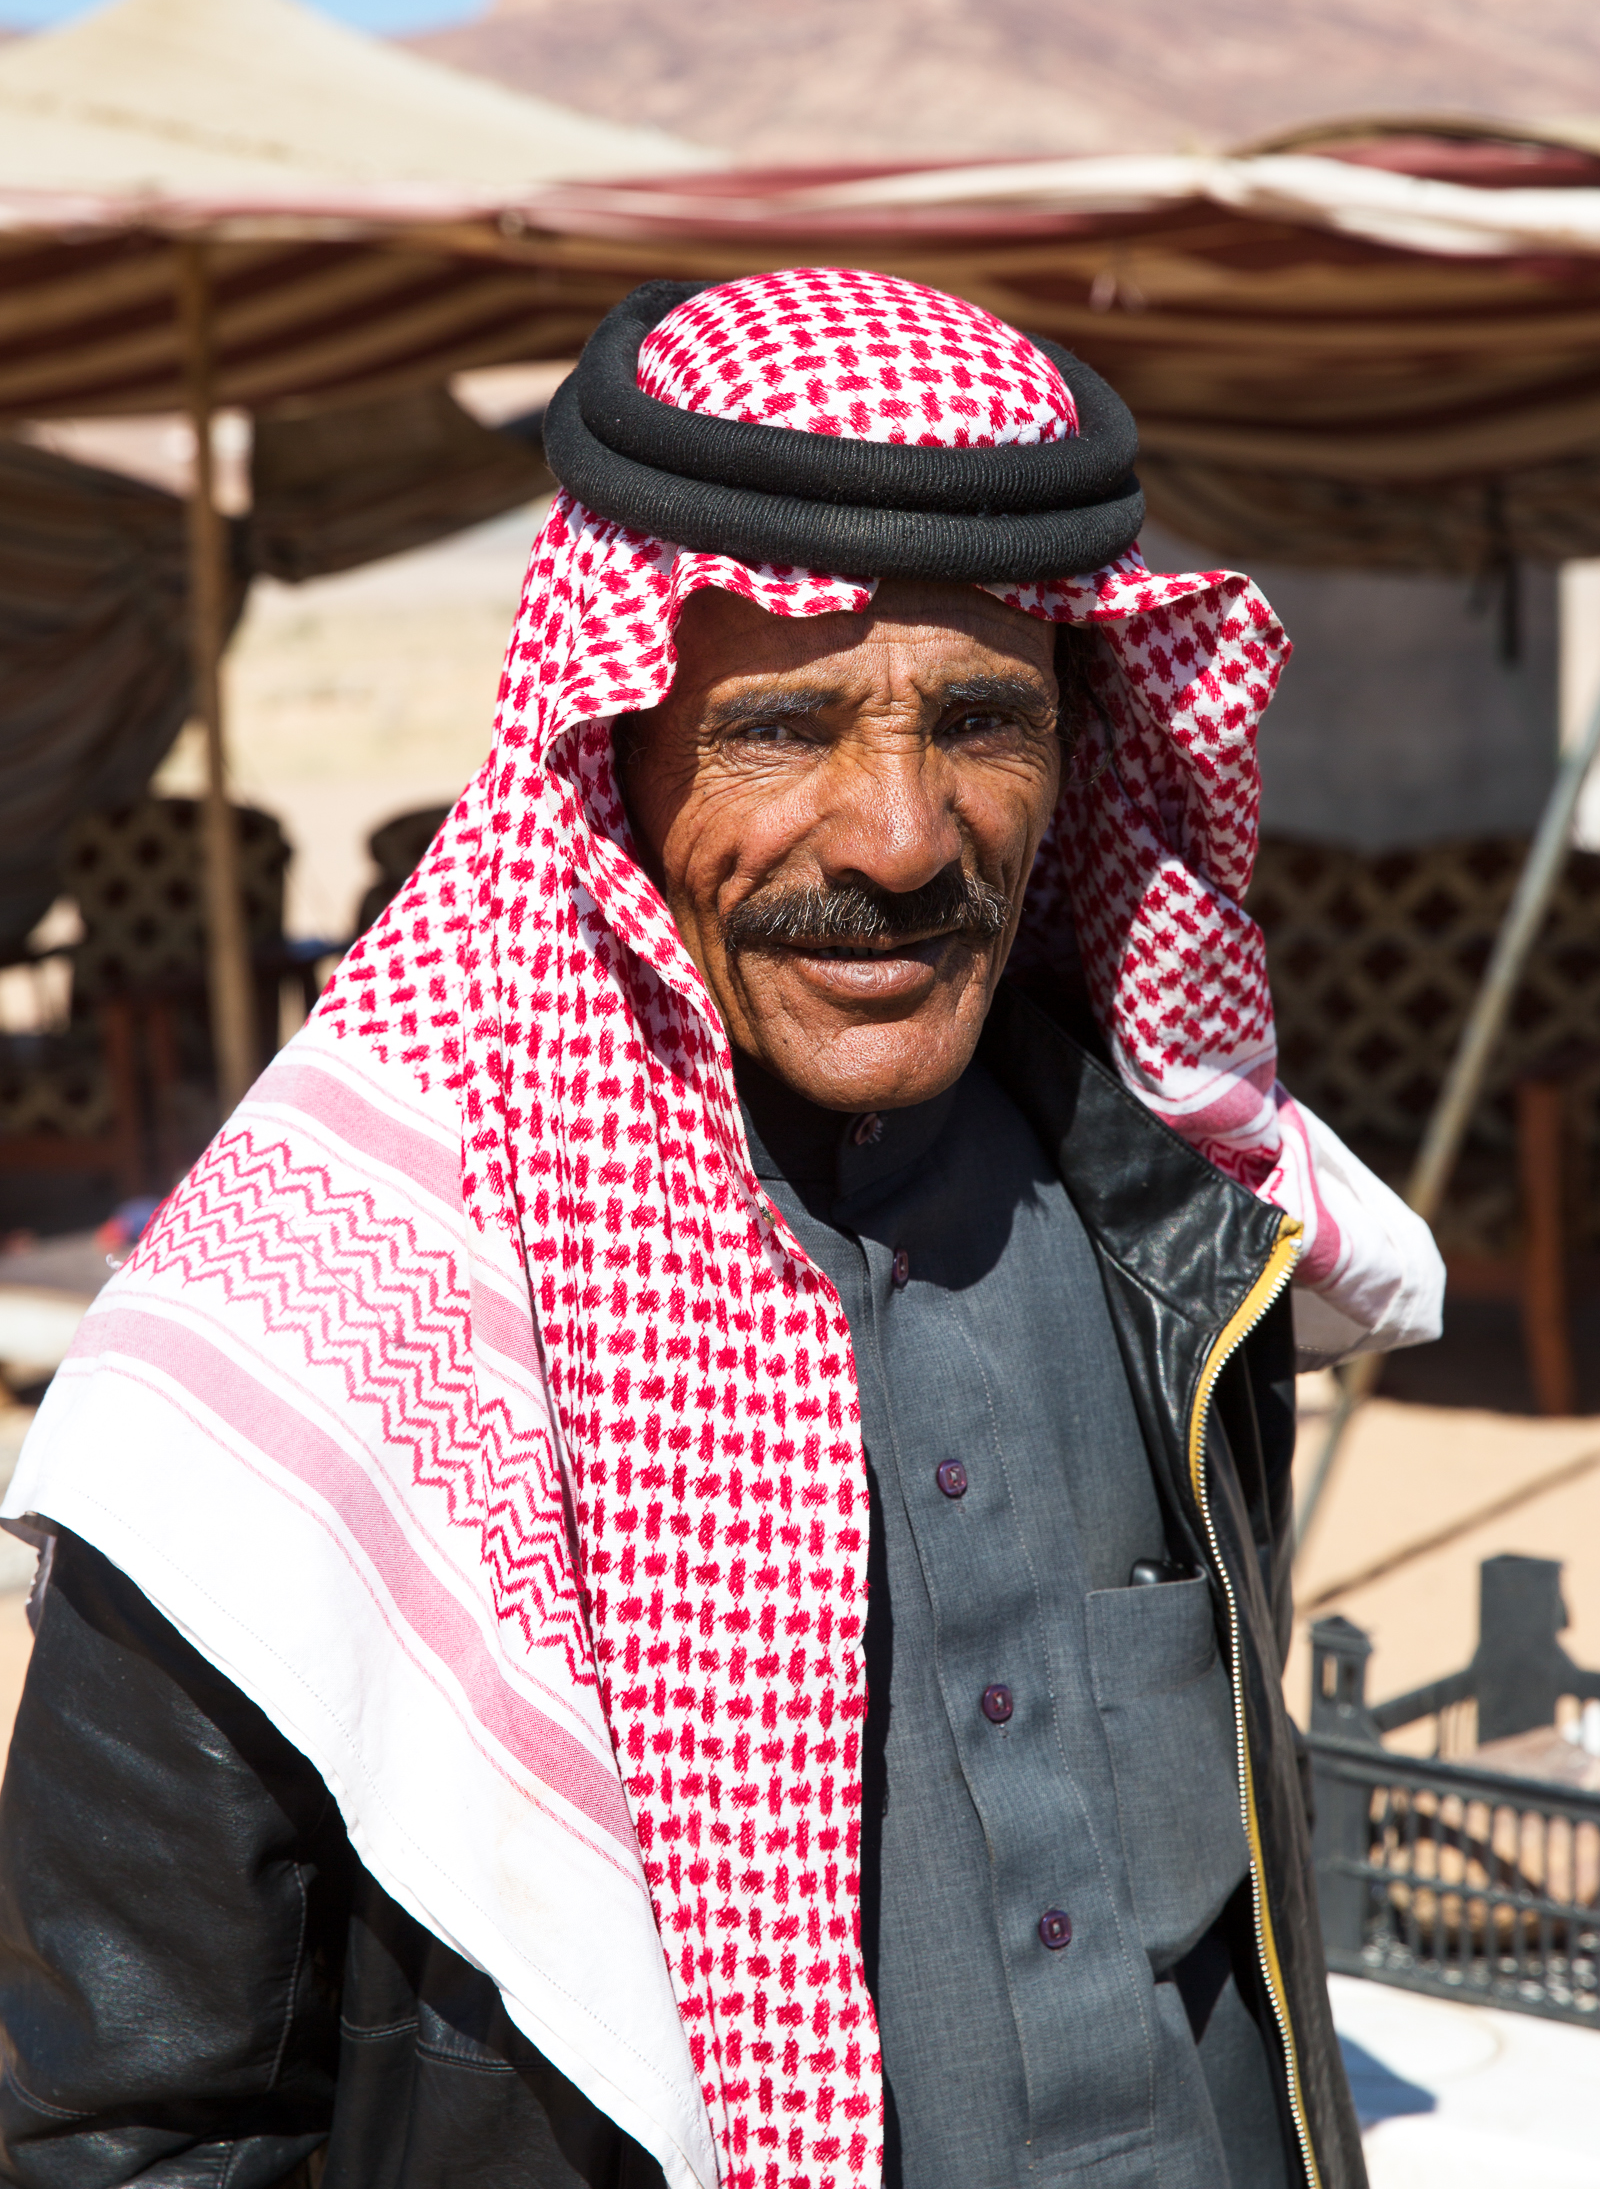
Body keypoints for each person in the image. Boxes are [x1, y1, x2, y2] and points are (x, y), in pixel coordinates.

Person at [0, 270, 1440, 2189]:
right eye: (783, 728)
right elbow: (126, 2132)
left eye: (984, 724)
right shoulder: (315, 1342)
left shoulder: (1161, 1233)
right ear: (614, 746)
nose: (903, 836)